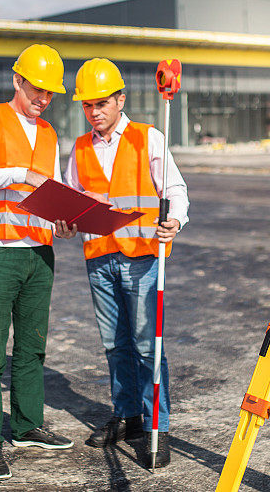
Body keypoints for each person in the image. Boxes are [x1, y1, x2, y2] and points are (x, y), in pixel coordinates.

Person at [0, 44, 77, 481]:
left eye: (50, 93)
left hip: (38, 254)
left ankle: (26, 426)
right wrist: (15, 173)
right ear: (17, 81)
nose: (43, 99)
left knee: (32, 347)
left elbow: (55, 191)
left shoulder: (48, 135)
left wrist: (65, 222)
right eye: (36, 89)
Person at [64, 58, 189, 468]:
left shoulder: (147, 138)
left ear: (120, 99)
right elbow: (71, 199)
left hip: (140, 259)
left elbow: (175, 189)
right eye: (87, 105)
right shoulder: (80, 149)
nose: (94, 111)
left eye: (101, 103)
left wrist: (174, 220)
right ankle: (127, 416)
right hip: (99, 259)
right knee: (115, 345)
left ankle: (157, 426)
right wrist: (66, 221)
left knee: (145, 345)